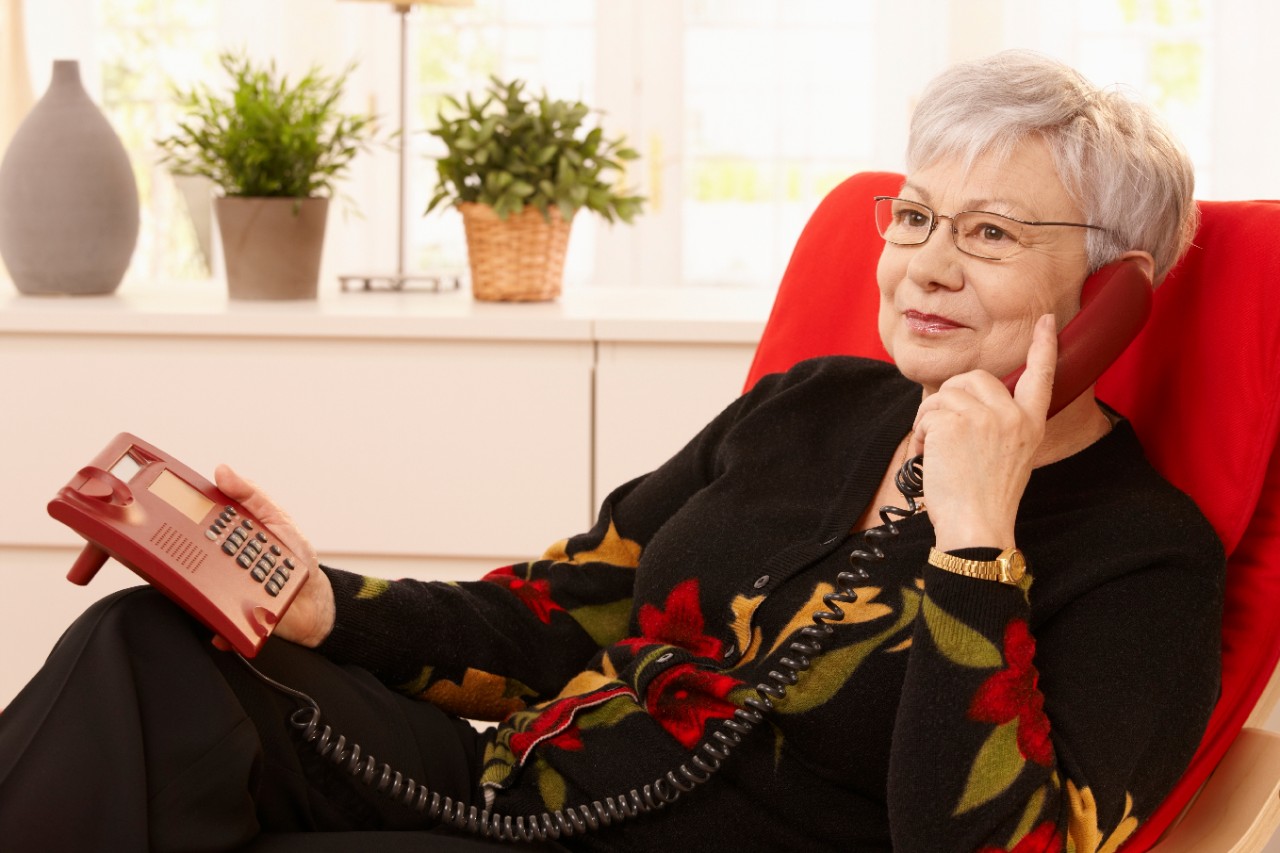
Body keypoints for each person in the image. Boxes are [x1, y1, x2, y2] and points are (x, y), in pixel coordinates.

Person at [0, 49, 1222, 853]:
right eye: (911, 216)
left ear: (1111, 291)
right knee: (150, 646)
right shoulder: (810, 405)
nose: (923, 264)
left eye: (990, 231)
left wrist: (970, 542)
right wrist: (327, 605)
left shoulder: (1140, 559)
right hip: (513, 795)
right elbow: (566, 609)